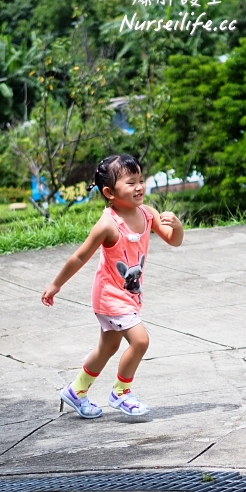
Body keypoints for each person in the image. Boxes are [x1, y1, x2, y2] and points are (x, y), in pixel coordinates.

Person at [41, 155, 184, 418]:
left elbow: (173, 241)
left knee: (107, 347)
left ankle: (76, 391)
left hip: (127, 296)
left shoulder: (147, 213)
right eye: (130, 183)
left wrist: (177, 227)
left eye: (140, 180)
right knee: (140, 341)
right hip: (110, 297)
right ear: (109, 192)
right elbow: (80, 256)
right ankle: (121, 393)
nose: (139, 187)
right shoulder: (108, 224)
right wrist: (55, 285)